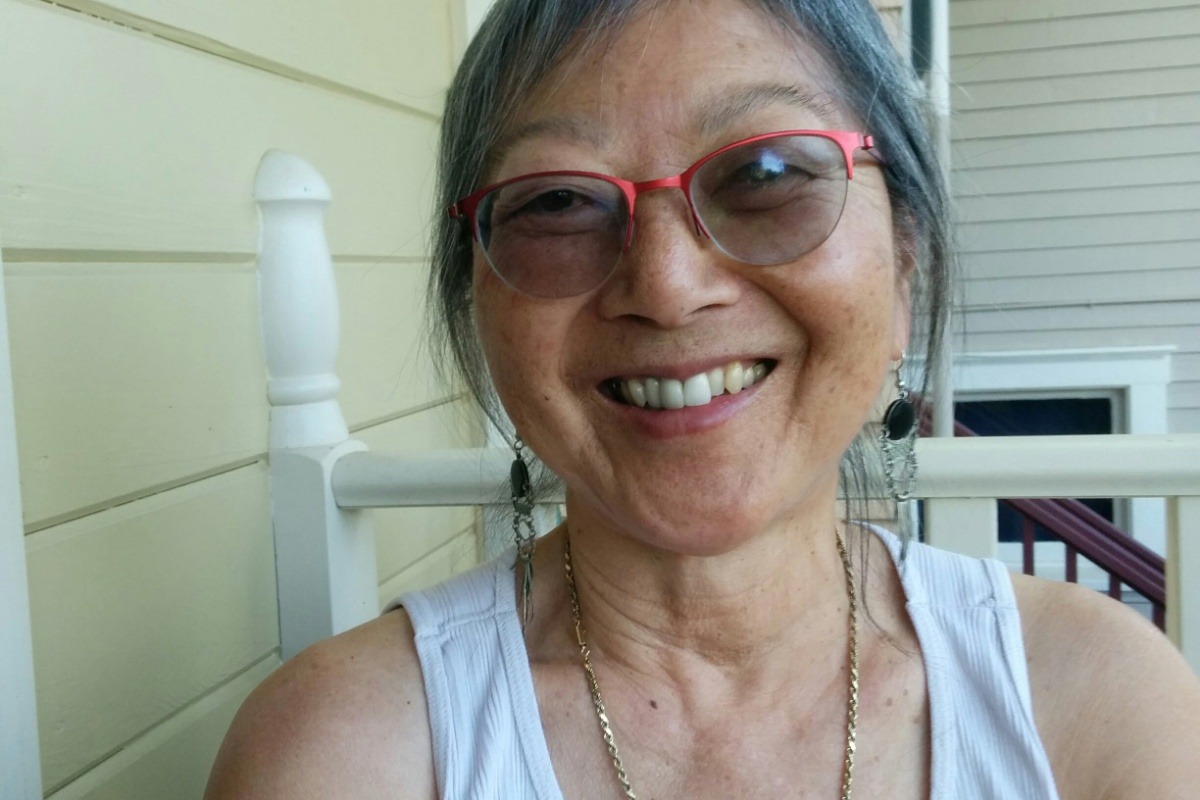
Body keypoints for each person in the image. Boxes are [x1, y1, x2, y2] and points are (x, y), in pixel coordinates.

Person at [205, 1, 1200, 798]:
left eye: (766, 175)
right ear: (478, 302)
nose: (668, 287)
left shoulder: (1102, 708)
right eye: (559, 201)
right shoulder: (339, 755)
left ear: (903, 266)